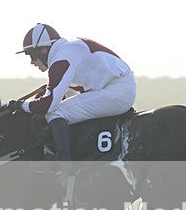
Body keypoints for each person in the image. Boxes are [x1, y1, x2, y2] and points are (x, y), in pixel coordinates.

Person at [10, 23, 136, 162]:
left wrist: (22, 105)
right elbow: (64, 94)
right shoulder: (66, 50)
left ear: (44, 50)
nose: (32, 62)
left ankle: (64, 161)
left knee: (56, 112)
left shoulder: (61, 59)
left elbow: (49, 105)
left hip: (118, 91)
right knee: (62, 108)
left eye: (32, 55)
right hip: (116, 87)